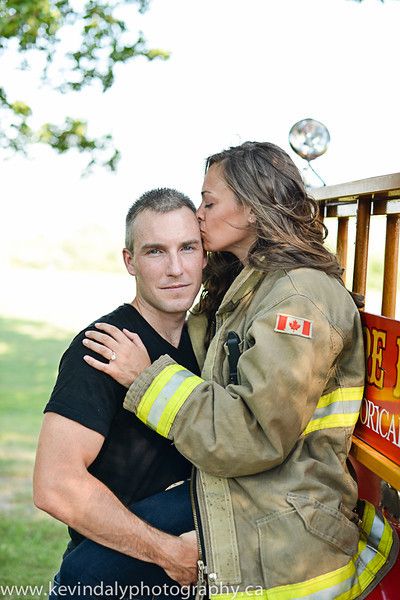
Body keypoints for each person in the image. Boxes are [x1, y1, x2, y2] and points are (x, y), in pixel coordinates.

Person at [84, 141, 398, 599]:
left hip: (288, 559)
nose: (199, 212)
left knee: (86, 574)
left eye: (209, 202)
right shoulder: (254, 288)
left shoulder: (297, 297)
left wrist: (145, 378)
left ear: (251, 209)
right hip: (262, 525)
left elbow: (254, 434)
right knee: (88, 566)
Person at [33, 188, 206, 599]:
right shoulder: (101, 348)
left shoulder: (209, 341)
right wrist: (169, 553)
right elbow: (55, 484)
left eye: (188, 247)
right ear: (130, 261)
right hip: (111, 579)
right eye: (155, 252)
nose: (176, 268)